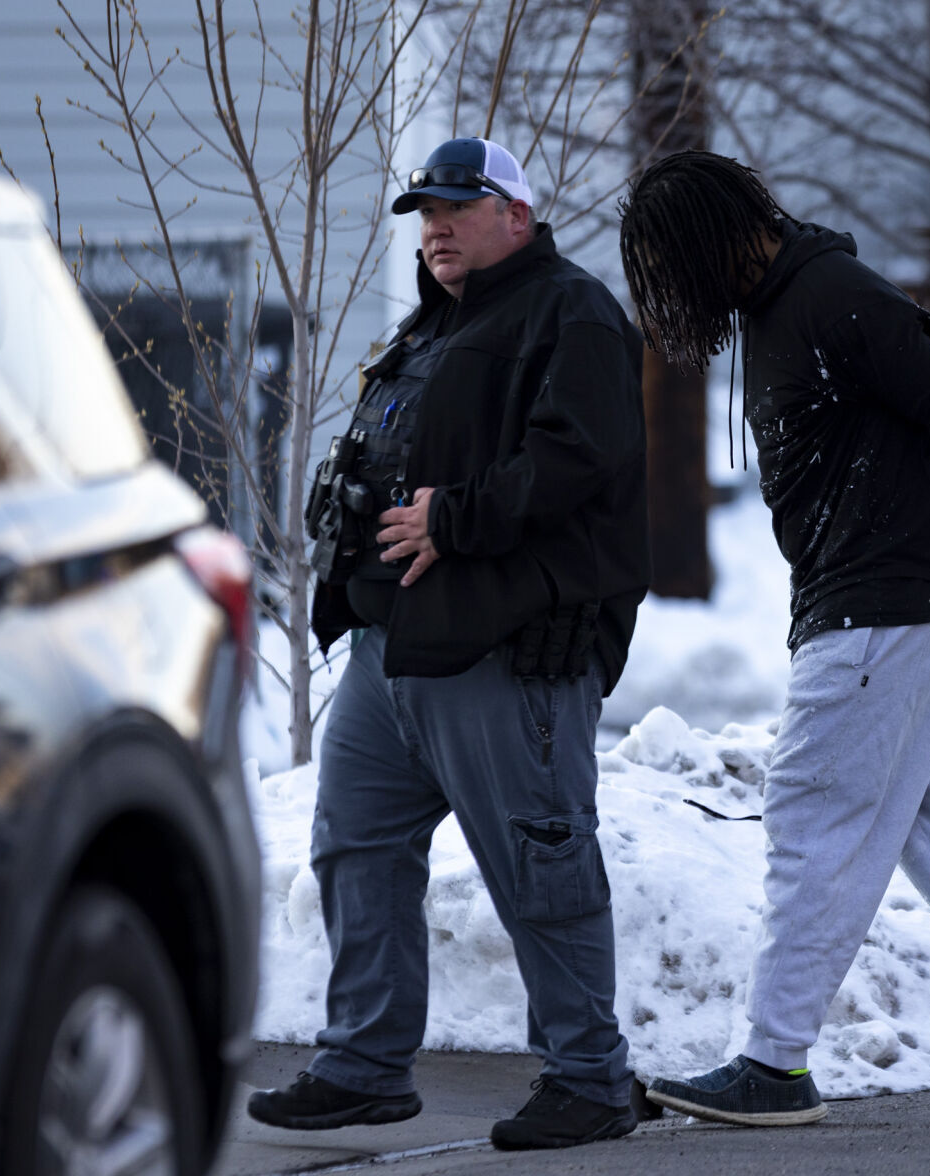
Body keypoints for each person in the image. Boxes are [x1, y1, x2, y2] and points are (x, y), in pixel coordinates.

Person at [616, 150, 930, 1128]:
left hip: (881, 600)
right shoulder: (782, 307)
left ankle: (773, 1063)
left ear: (721, 235)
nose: (670, 290)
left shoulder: (837, 297)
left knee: (810, 811)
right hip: (884, 591)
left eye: (671, 263)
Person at [246, 137, 651, 1151]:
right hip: (392, 648)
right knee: (356, 850)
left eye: (455, 208)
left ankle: (590, 1079)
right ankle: (364, 1064)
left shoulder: (572, 312)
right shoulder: (430, 330)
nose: (434, 228)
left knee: (538, 862)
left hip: (503, 647)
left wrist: (454, 520)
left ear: (515, 212)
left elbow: (582, 463)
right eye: (423, 212)